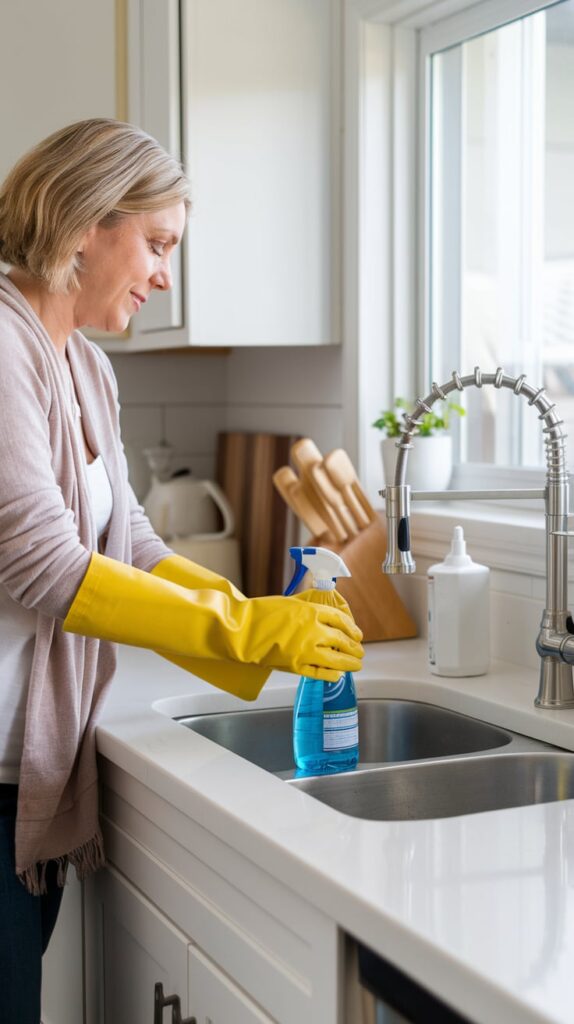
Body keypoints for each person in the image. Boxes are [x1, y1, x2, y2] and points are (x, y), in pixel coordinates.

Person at [0, 118, 363, 1022]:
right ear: (86, 221)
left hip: (20, 771)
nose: (165, 276)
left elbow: (128, 541)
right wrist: (241, 631)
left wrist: (255, 617)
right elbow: (43, 564)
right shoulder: (2, 348)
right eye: (157, 244)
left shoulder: (84, 365)